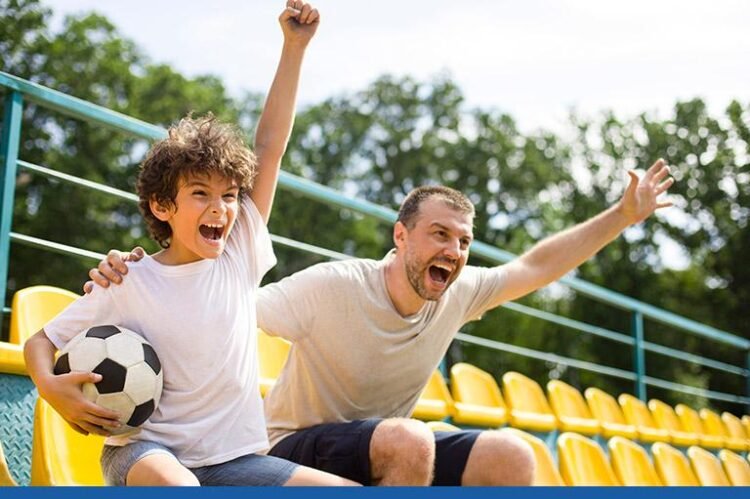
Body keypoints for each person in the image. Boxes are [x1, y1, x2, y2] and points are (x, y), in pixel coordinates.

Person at [89, 159, 673, 483]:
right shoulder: (332, 285)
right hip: (289, 449)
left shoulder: (459, 292)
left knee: (512, 455)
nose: (454, 249)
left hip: (391, 454)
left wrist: (622, 215)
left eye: (464, 241)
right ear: (401, 236)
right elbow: (223, 311)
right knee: (407, 438)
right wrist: (149, 269)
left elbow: (537, 265)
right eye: (439, 234)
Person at [24, 2, 355, 487]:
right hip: (143, 455)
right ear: (162, 206)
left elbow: (269, 148)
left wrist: (294, 47)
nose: (219, 208)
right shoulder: (128, 277)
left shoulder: (240, 251)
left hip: (236, 460)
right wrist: (51, 388)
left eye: (228, 195)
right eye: (200, 194)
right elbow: (41, 340)